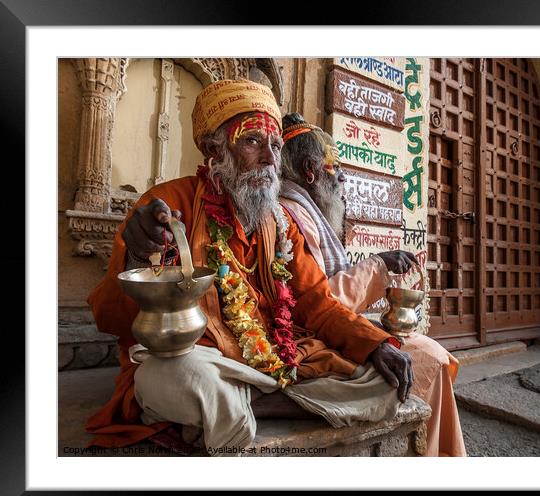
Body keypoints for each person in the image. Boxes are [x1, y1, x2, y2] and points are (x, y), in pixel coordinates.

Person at [85, 79, 416, 456]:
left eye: (275, 146)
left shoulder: (280, 222)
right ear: (215, 149)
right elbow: (111, 318)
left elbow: (316, 303)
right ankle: (261, 402)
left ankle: (245, 407)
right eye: (253, 142)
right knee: (173, 376)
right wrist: (139, 258)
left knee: (385, 379)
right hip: (207, 359)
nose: (271, 160)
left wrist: (373, 344)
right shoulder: (166, 205)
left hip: (279, 358)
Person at [278, 113, 467, 457]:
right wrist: (377, 265)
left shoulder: (304, 212)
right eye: (334, 166)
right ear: (310, 170)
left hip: (326, 330)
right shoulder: (292, 215)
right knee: (431, 358)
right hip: (309, 341)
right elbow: (320, 301)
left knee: (428, 352)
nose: (343, 177)